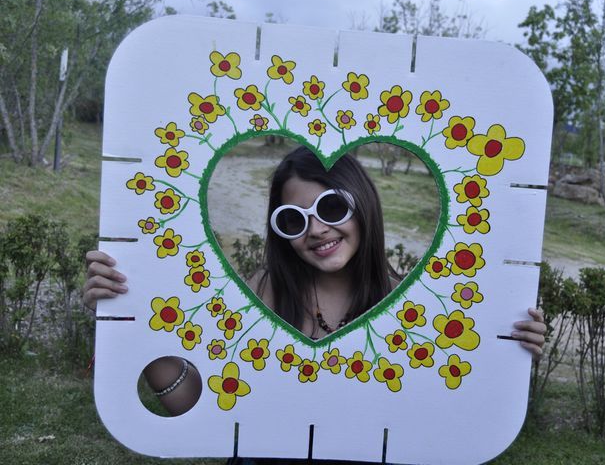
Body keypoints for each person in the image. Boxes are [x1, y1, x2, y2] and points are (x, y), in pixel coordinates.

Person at [84, 146, 547, 414]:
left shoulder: (411, 304)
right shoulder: (260, 294)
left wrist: (509, 346)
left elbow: (450, 408)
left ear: (363, 204)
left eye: (331, 208)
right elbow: (192, 402)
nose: (317, 230)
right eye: (293, 219)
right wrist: (129, 321)